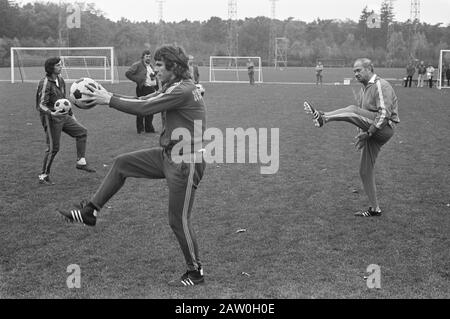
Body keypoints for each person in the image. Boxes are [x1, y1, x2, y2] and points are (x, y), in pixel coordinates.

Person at [57, 45, 207, 287]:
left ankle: (195, 272)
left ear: (174, 67)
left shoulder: (182, 89)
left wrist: (109, 100)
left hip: (186, 162)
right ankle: (90, 211)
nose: (154, 69)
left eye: (159, 65)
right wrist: (109, 96)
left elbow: (145, 108)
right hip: (168, 155)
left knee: (177, 220)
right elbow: (143, 99)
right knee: (122, 163)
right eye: (155, 64)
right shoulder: (172, 86)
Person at [303, 58, 399, 217]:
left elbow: (384, 114)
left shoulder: (381, 85)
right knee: (364, 171)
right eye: (354, 71)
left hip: (384, 127)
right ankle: (375, 209)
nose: (356, 74)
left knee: (352, 110)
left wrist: (369, 132)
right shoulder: (365, 89)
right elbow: (362, 115)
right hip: (373, 130)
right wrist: (363, 133)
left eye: (358, 70)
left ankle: (323, 117)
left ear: (369, 69)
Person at [36, 57, 95, 185]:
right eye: (58, 65)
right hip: (50, 118)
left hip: (63, 116)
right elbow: (40, 105)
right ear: (51, 68)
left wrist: (71, 115)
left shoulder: (61, 80)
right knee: (53, 148)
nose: (60, 67)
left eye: (60, 64)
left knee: (82, 132)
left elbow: (64, 101)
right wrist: (52, 112)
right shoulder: (45, 82)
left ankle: (81, 162)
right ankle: (43, 175)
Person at [125, 49, 159, 134]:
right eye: (147, 56)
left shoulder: (150, 66)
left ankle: (149, 128)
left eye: (149, 56)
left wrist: (156, 85)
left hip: (152, 89)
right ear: (143, 57)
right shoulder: (138, 64)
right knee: (141, 108)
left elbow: (152, 77)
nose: (148, 58)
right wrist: (138, 80)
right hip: (143, 89)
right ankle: (140, 129)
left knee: (151, 109)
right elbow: (128, 73)